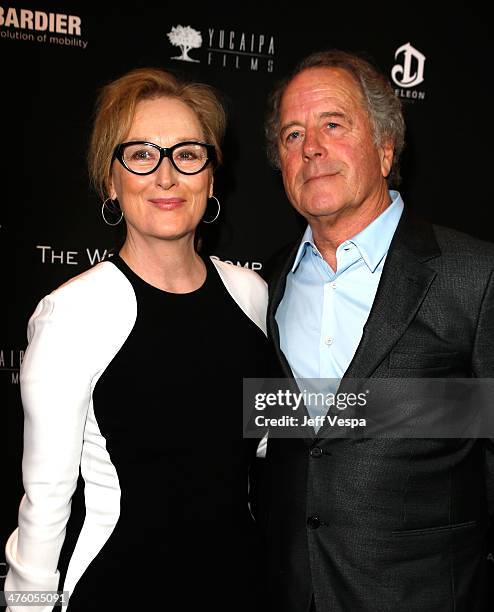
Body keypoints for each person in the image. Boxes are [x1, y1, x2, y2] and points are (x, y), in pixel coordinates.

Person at [4, 67, 271, 611]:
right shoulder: (72, 313)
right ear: (111, 179)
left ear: (212, 176)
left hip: (240, 586)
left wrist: (444, 409)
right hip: (120, 588)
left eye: (187, 154)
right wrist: (27, 607)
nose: (166, 176)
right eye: (142, 154)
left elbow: (267, 432)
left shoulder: (252, 295)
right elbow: (46, 500)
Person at [255, 49, 494, 611]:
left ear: (385, 148)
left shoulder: (475, 276)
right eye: (292, 135)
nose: (310, 146)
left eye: (333, 125)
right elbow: (283, 444)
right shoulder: (263, 289)